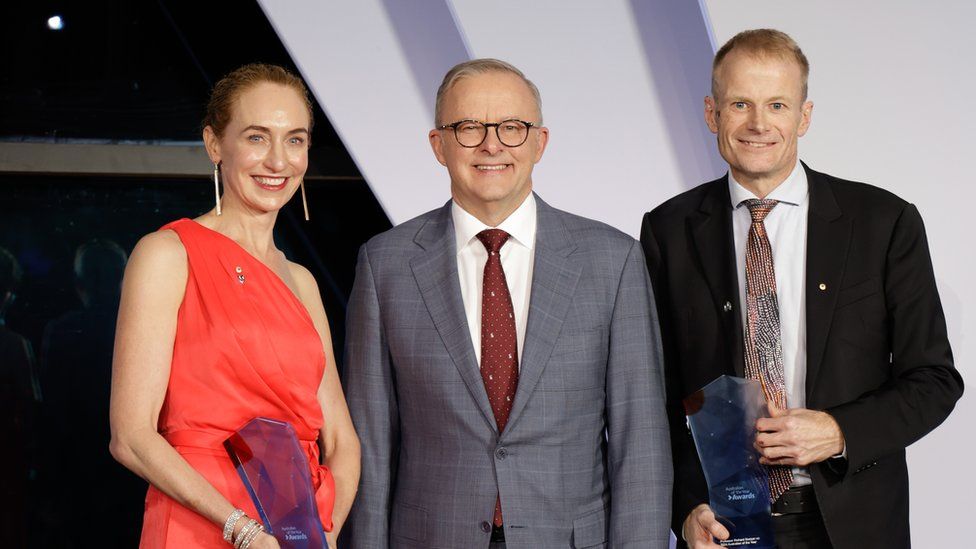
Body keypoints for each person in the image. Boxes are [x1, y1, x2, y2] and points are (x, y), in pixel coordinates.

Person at [640, 29, 963, 549]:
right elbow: (654, 396)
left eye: (777, 104)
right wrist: (684, 508)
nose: (759, 123)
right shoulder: (668, 230)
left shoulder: (883, 223)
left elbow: (934, 381)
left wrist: (839, 431)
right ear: (711, 113)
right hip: (722, 527)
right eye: (740, 103)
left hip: (852, 523)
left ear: (804, 116)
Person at [343, 58, 672, 549]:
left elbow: (639, 440)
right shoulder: (384, 265)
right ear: (439, 145)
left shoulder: (612, 260)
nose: (492, 144)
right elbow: (368, 444)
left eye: (512, 128)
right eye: (469, 127)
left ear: (540, 142)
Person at [110, 63, 360, 549]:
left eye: (295, 139)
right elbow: (131, 437)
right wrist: (243, 532)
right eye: (256, 137)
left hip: (295, 530)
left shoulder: (303, 281)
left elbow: (343, 441)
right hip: (197, 525)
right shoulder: (167, 254)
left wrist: (326, 534)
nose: (277, 161)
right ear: (213, 144)